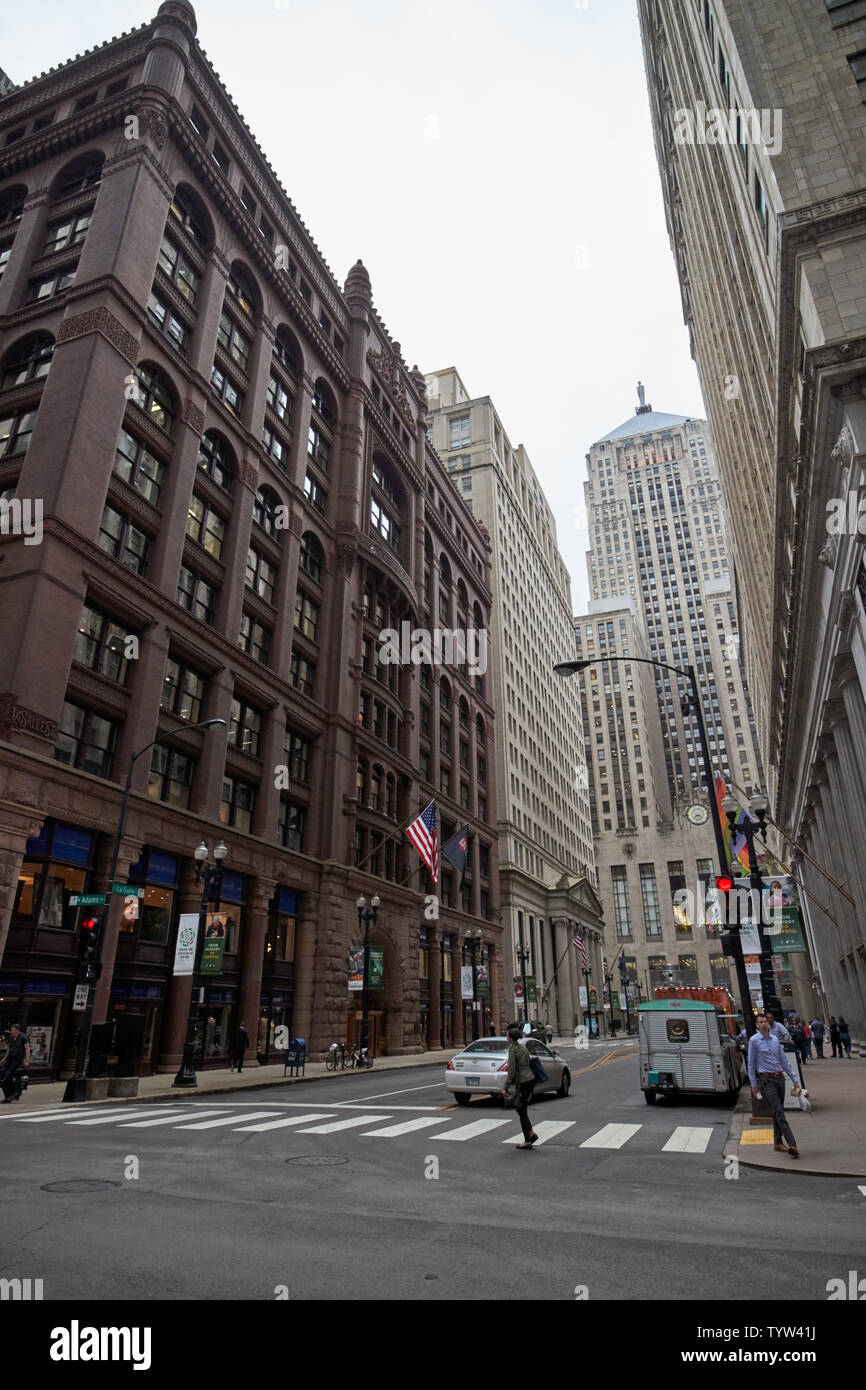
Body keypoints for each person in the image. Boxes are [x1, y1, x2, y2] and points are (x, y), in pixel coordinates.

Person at [747, 1013, 800, 1158]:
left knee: (778, 1110)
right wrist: (754, 1084)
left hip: (779, 1078)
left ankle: (777, 1142)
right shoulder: (754, 1041)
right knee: (779, 1111)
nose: (764, 1024)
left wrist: (793, 1078)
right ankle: (792, 1144)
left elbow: (783, 1060)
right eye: (761, 1022)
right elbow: (751, 1064)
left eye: (765, 1022)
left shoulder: (775, 1040)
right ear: (757, 1025)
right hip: (766, 1080)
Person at [504, 1023, 537, 1149]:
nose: (506, 1037)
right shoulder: (523, 1047)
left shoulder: (513, 1049)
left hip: (523, 1082)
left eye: (507, 1035)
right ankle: (531, 1133)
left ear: (511, 1038)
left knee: (522, 1111)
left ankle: (528, 1140)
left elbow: (511, 1071)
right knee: (521, 1109)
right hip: (530, 1080)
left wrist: (505, 1087)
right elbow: (528, 1061)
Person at [0, 1024, 30, 1103]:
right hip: (9, 1059)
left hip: (17, 1061)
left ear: (17, 1030)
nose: (11, 1031)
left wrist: (26, 1060)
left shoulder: (23, 1037)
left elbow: (27, 1049)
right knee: (3, 1075)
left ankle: (14, 1093)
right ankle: (10, 1095)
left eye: (12, 1030)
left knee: (8, 1075)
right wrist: (4, 1059)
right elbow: (9, 1050)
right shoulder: (11, 1038)